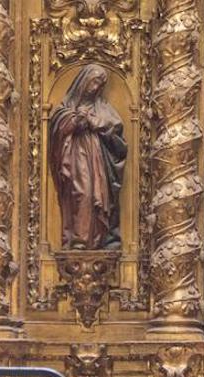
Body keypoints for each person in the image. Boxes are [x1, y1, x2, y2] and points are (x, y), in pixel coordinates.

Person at [49, 63, 128, 250]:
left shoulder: (103, 108)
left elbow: (115, 130)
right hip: (76, 156)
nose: (95, 88)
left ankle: (97, 239)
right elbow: (57, 127)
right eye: (93, 83)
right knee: (81, 193)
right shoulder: (67, 106)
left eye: (99, 85)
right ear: (84, 82)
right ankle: (79, 241)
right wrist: (75, 121)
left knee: (96, 196)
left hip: (97, 160)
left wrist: (95, 122)